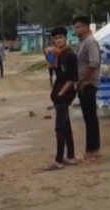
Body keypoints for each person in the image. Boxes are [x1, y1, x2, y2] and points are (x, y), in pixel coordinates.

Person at [45, 26, 78, 171]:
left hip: (64, 93)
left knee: (60, 127)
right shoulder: (60, 54)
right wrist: (50, 60)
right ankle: (70, 156)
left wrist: (62, 93)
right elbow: (56, 70)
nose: (58, 40)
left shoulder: (70, 55)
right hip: (59, 91)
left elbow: (72, 78)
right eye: (56, 38)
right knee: (66, 125)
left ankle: (59, 160)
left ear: (66, 38)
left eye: (60, 38)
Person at [73, 16, 102, 162]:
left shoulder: (90, 42)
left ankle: (92, 150)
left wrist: (83, 79)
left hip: (89, 83)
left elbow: (94, 63)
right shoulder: (83, 42)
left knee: (90, 118)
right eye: (74, 27)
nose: (75, 30)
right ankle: (93, 149)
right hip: (84, 83)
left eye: (78, 27)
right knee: (88, 117)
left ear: (85, 27)